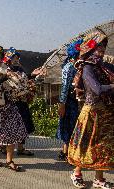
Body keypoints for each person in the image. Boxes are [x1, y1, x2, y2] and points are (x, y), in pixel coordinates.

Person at [68, 31, 114, 189]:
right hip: (91, 113)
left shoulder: (104, 66)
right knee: (86, 145)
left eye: (103, 46)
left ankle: (99, 179)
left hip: (105, 113)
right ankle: (76, 173)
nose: (102, 50)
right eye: (99, 46)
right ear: (90, 48)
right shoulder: (88, 67)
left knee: (102, 146)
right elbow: (97, 89)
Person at [0, 47, 35, 156]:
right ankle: (4, 146)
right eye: (14, 57)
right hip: (10, 101)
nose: (16, 59)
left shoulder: (20, 69)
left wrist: (33, 75)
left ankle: (21, 148)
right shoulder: (5, 70)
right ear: (9, 58)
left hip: (22, 100)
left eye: (17, 57)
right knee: (9, 125)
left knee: (23, 124)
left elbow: (25, 80)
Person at [56, 39, 83, 161]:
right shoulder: (69, 67)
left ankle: (65, 152)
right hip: (69, 103)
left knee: (71, 127)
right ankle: (67, 153)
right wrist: (62, 104)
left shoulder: (79, 65)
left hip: (76, 102)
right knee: (69, 127)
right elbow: (64, 87)